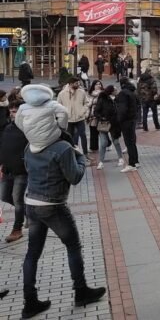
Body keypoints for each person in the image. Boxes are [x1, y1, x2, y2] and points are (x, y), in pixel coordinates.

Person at [21, 95, 106, 317]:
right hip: (53, 205)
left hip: (32, 203)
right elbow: (75, 177)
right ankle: (81, 290)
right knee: (73, 245)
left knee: (32, 253)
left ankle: (30, 301)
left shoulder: (30, 147)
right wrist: (80, 158)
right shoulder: (62, 148)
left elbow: (28, 169)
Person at [0, 100, 28, 243]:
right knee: (5, 196)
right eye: (11, 111)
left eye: (15, 111)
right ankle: (30, 213)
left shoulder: (28, 128)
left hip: (22, 171)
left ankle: (17, 229)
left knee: (17, 199)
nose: (12, 114)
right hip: (7, 170)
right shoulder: (7, 127)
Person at [15, 84, 68, 153]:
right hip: (51, 136)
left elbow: (18, 122)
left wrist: (27, 130)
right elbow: (64, 112)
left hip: (32, 138)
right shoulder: (52, 104)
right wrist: (61, 126)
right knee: (67, 138)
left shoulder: (22, 107)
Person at [58, 76, 90, 157]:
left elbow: (87, 103)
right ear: (71, 84)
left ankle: (86, 153)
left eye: (78, 83)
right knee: (70, 137)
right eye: (76, 83)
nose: (78, 84)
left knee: (83, 135)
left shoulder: (81, 92)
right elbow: (58, 106)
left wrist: (83, 111)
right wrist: (64, 114)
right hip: (69, 119)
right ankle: (73, 154)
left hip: (80, 118)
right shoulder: (62, 94)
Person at [115, 77, 139, 171]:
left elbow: (122, 109)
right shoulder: (132, 91)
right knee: (132, 142)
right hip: (132, 119)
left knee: (128, 142)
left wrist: (119, 120)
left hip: (126, 121)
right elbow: (138, 104)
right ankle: (135, 161)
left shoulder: (123, 93)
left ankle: (131, 164)